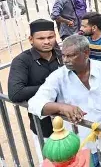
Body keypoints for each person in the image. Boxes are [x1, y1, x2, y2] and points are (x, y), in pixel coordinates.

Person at [28, 35, 101, 167]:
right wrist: (61, 107)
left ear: (86, 53)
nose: (66, 60)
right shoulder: (58, 77)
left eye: (71, 56)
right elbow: (34, 104)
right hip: (78, 148)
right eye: (64, 55)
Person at [8, 19, 63, 164]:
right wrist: (51, 86)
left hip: (69, 122)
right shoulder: (22, 61)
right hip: (43, 126)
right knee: (49, 162)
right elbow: (15, 93)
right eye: (41, 38)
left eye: (50, 37)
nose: (47, 41)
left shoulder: (62, 55)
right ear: (31, 39)